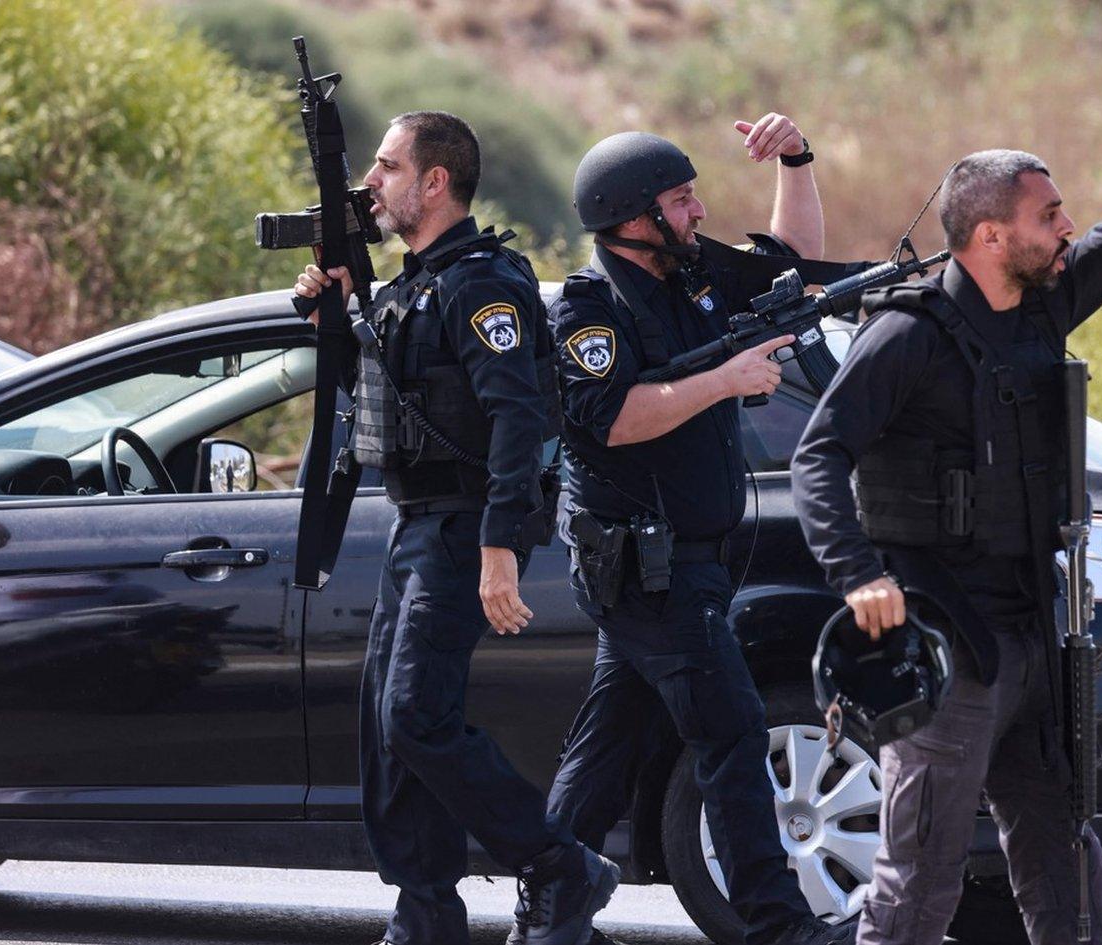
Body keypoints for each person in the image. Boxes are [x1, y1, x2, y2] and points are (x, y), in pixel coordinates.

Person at [788, 16, 1102, 945]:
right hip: (945, 646)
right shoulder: (907, 337)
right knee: (920, 880)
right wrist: (858, 572)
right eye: (1049, 216)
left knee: (1064, 854)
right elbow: (818, 452)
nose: (1070, 227)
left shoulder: (1044, 302)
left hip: (1034, 633)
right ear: (991, 234)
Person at [532, 116, 855, 945]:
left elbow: (791, 267)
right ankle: (779, 925)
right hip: (647, 565)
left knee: (606, 749)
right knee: (734, 733)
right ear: (633, 218)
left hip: (691, 560)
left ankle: (548, 917)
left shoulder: (692, 277)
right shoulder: (591, 305)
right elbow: (609, 418)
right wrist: (724, 380)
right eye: (681, 201)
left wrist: (796, 159)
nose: (699, 211)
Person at [296, 110, 614, 945]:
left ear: (435, 182)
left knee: (416, 717)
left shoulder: (482, 283)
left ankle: (558, 863)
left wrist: (500, 548)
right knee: (387, 727)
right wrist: (328, 311)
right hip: (418, 525)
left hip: (465, 525)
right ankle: (427, 913)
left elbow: (518, 418)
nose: (373, 182)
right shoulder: (416, 283)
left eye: (388, 166)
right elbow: (385, 392)